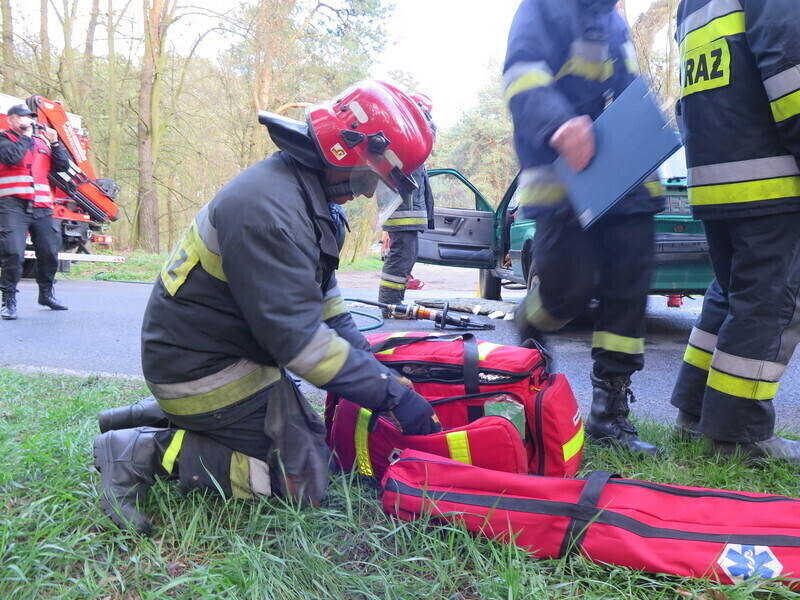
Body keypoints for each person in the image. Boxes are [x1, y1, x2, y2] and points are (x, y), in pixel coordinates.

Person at [92, 80, 440, 535]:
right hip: (202, 370)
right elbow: (301, 345)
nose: (365, 191)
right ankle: (143, 449)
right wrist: (393, 396)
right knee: (301, 479)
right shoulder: (270, 211)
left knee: (313, 448)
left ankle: (152, 414)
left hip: (226, 352)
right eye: (371, 177)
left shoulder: (305, 193)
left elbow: (326, 303)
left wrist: (372, 365)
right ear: (345, 151)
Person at [504, 0, 665, 455]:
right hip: (562, 183)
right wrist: (558, 124)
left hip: (626, 179)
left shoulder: (616, 20)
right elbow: (522, 75)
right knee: (566, 292)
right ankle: (529, 319)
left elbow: (628, 86)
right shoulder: (542, 8)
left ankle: (608, 413)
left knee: (630, 286)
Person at [670, 0, 800, 463]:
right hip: (772, 181)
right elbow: (791, 74)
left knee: (730, 296)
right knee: (767, 305)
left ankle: (695, 414)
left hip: (715, 179)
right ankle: (738, 436)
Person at [0, 104, 70, 320]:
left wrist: (56, 143)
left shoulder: (42, 143)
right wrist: (26, 136)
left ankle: (47, 294)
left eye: (30, 118)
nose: (28, 121)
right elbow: (12, 158)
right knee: (13, 252)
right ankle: (8, 301)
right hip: (12, 205)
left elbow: (62, 167)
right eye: (22, 118)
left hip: (41, 206)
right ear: (11, 120)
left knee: (49, 250)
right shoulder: (4, 139)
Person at [377, 93, 435, 315]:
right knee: (401, 256)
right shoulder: (406, 133)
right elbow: (429, 138)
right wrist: (423, 116)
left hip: (405, 209)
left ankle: (394, 303)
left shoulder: (408, 137)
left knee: (406, 255)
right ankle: (389, 305)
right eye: (425, 113)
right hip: (402, 209)